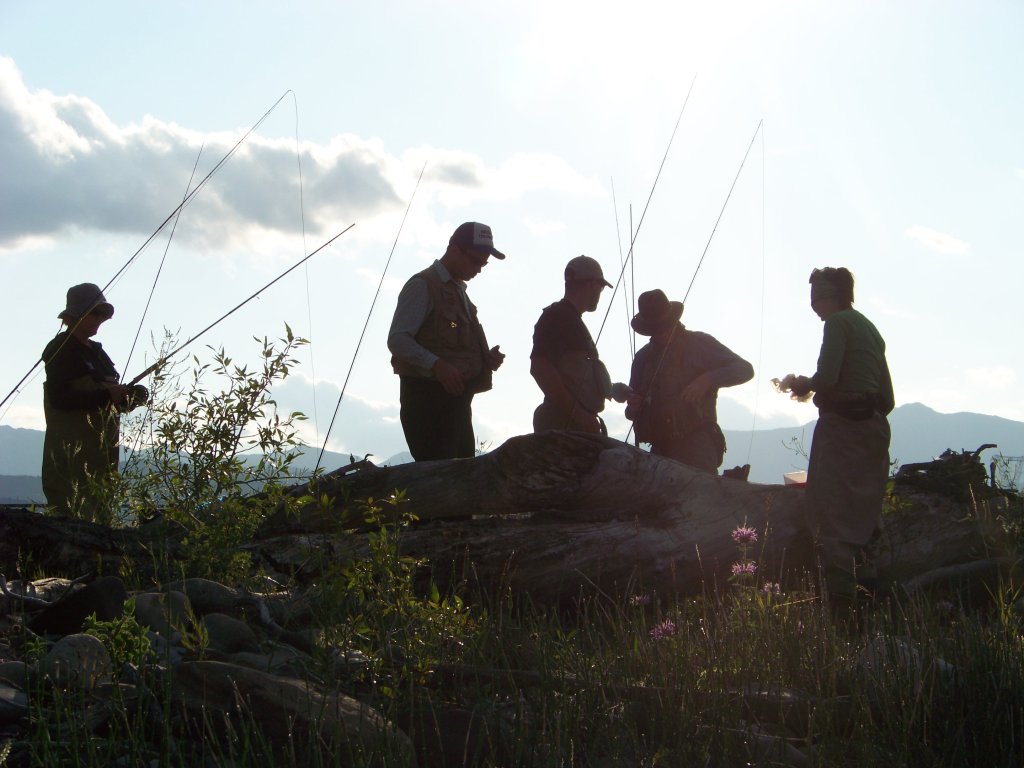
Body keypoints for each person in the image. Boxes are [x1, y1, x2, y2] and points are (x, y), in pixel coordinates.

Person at [783, 267, 894, 606]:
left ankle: (842, 607)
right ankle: (870, 595)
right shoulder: (870, 329)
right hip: (873, 430)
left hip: (841, 429)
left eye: (815, 296)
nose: (813, 304)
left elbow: (828, 378)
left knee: (832, 513)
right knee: (863, 514)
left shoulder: (837, 324)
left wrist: (802, 384)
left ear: (823, 296)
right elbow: (887, 399)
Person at [388, 222, 506, 460]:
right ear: (454, 249)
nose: (479, 269)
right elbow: (398, 339)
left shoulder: (459, 292)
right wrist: (437, 365)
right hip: (427, 404)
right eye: (475, 261)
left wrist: (485, 360)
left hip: (457, 406)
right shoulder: (422, 285)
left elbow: (453, 347)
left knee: (462, 479)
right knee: (442, 479)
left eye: (484, 264)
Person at [41, 283, 148, 518]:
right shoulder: (60, 349)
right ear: (75, 315)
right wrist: (106, 396)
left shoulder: (98, 353)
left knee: (101, 512)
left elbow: (110, 402)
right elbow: (60, 398)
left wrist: (130, 398)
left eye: (103, 314)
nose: (100, 319)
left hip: (102, 457)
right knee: (70, 515)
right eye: (95, 313)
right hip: (72, 458)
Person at [625, 289, 753, 473]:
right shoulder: (642, 359)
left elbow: (745, 369)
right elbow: (631, 411)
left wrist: (708, 379)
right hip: (659, 453)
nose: (660, 333)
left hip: (696, 447)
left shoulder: (699, 344)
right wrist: (633, 408)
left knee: (701, 499)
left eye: (663, 326)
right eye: (655, 329)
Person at [530, 255, 630, 434]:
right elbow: (540, 368)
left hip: (574, 424)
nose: (600, 294)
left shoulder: (568, 319)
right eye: (601, 288)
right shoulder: (557, 317)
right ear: (592, 284)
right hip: (563, 426)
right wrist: (578, 415)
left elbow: (576, 378)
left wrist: (614, 390)